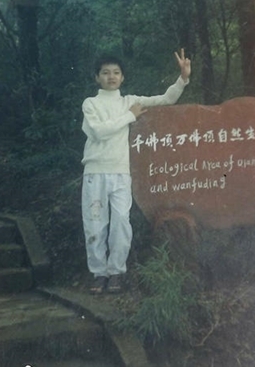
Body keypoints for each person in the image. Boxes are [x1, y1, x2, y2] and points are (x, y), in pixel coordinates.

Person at [81, 49, 191, 293]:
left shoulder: (129, 101)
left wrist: (182, 78)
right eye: (105, 73)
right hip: (94, 173)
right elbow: (98, 131)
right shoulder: (90, 104)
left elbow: (165, 99)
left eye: (116, 72)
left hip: (121, 172)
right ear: (97, 77)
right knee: (95, 224)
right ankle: (98, 274)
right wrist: (129, 117)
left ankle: (116, 273)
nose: (111, 76)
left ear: (122, 77)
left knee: (121, 223)